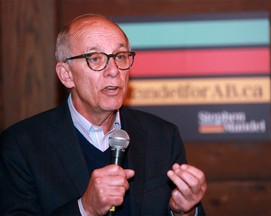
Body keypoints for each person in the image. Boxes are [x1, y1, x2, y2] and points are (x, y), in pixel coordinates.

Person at [0, 14, 206, 216]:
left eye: (120, 56)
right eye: (96, 58)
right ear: (66, 74)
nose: (114, 70)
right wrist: (85, 209)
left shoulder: (162, 136)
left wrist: (183, 211)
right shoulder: (22, 146)